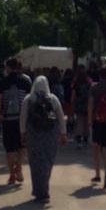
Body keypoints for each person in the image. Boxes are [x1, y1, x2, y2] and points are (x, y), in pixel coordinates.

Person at [21, 75, 68, 203]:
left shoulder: (28, 99)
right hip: (50, 134)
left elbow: (23, 117)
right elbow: (60, 116)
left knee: (36, 163)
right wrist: (63, 134)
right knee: (48, 161)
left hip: (34, 134)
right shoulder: (53, 99)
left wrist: (23, 133)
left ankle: (39, 191)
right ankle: (44, 189)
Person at [0, 57, 32, 185]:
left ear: (8, 67)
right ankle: (20, 168)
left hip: (8, 119)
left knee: (10, 148)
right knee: (22, 145)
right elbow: (29, 100)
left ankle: (12, 174)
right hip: (22, 118)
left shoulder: (3, 81)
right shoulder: (25, 80)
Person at [72, 65, 92, 148]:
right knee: (86, 123)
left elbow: (73, 95)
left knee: (79, 122)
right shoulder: (89, 82)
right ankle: (86, 140)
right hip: (87, 104)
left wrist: (73, 104)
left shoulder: (76, 82)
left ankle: (79, 141)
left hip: (79, 103)